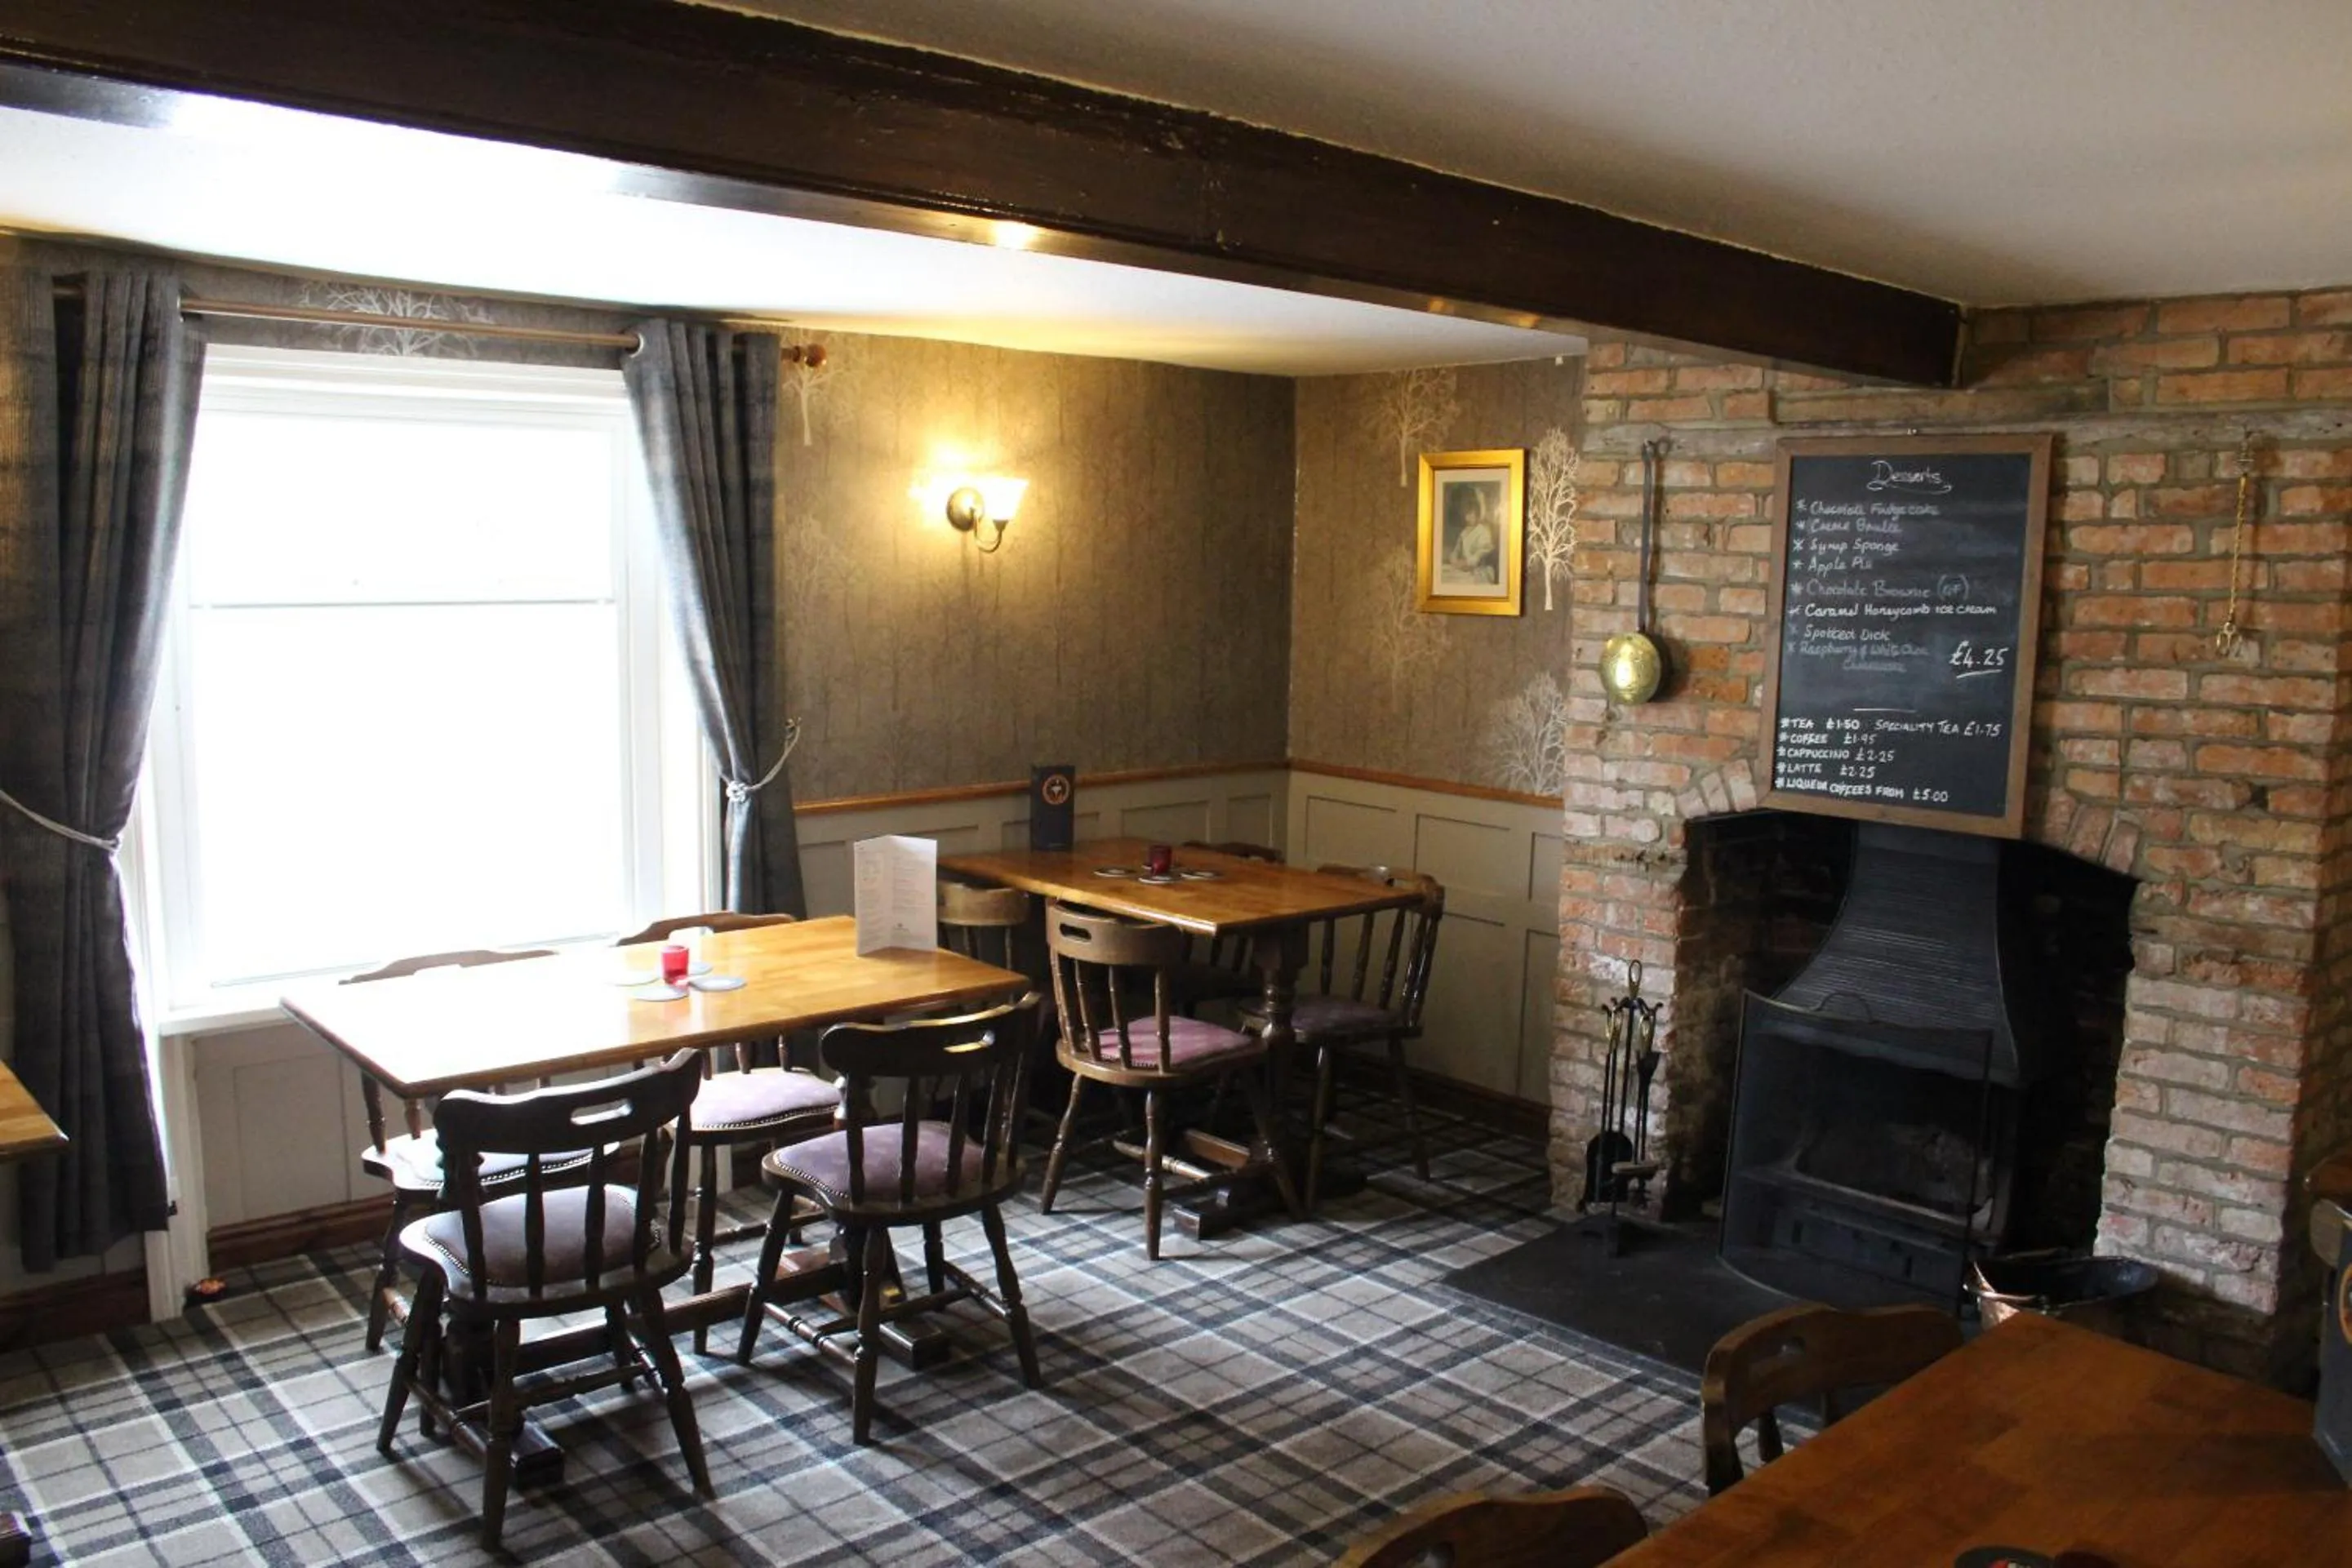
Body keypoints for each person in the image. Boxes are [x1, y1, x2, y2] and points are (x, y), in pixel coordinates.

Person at [1447, 483, 1499, 585]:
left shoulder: (1483, 531)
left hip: (1481, 572)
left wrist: (1465, 563)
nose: (1468, 517)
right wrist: (1453, 558)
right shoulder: (1464, 532)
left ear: (1478, 513)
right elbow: (1456, 550)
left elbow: (1479, 556)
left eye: (1471, 514)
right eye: (1466, 514)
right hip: (1466, 570)